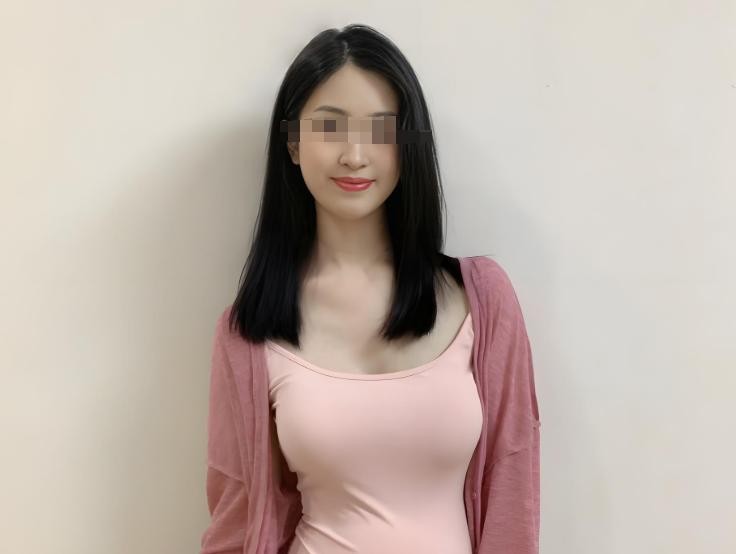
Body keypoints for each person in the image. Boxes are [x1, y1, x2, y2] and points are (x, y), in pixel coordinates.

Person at [200, 23, 541, 554]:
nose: (355, 155)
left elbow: (512, 487)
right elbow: (237, 523)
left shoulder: (482, 299)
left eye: (382, 129)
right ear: (293, 143)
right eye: (329, 127)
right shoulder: (248, 332)